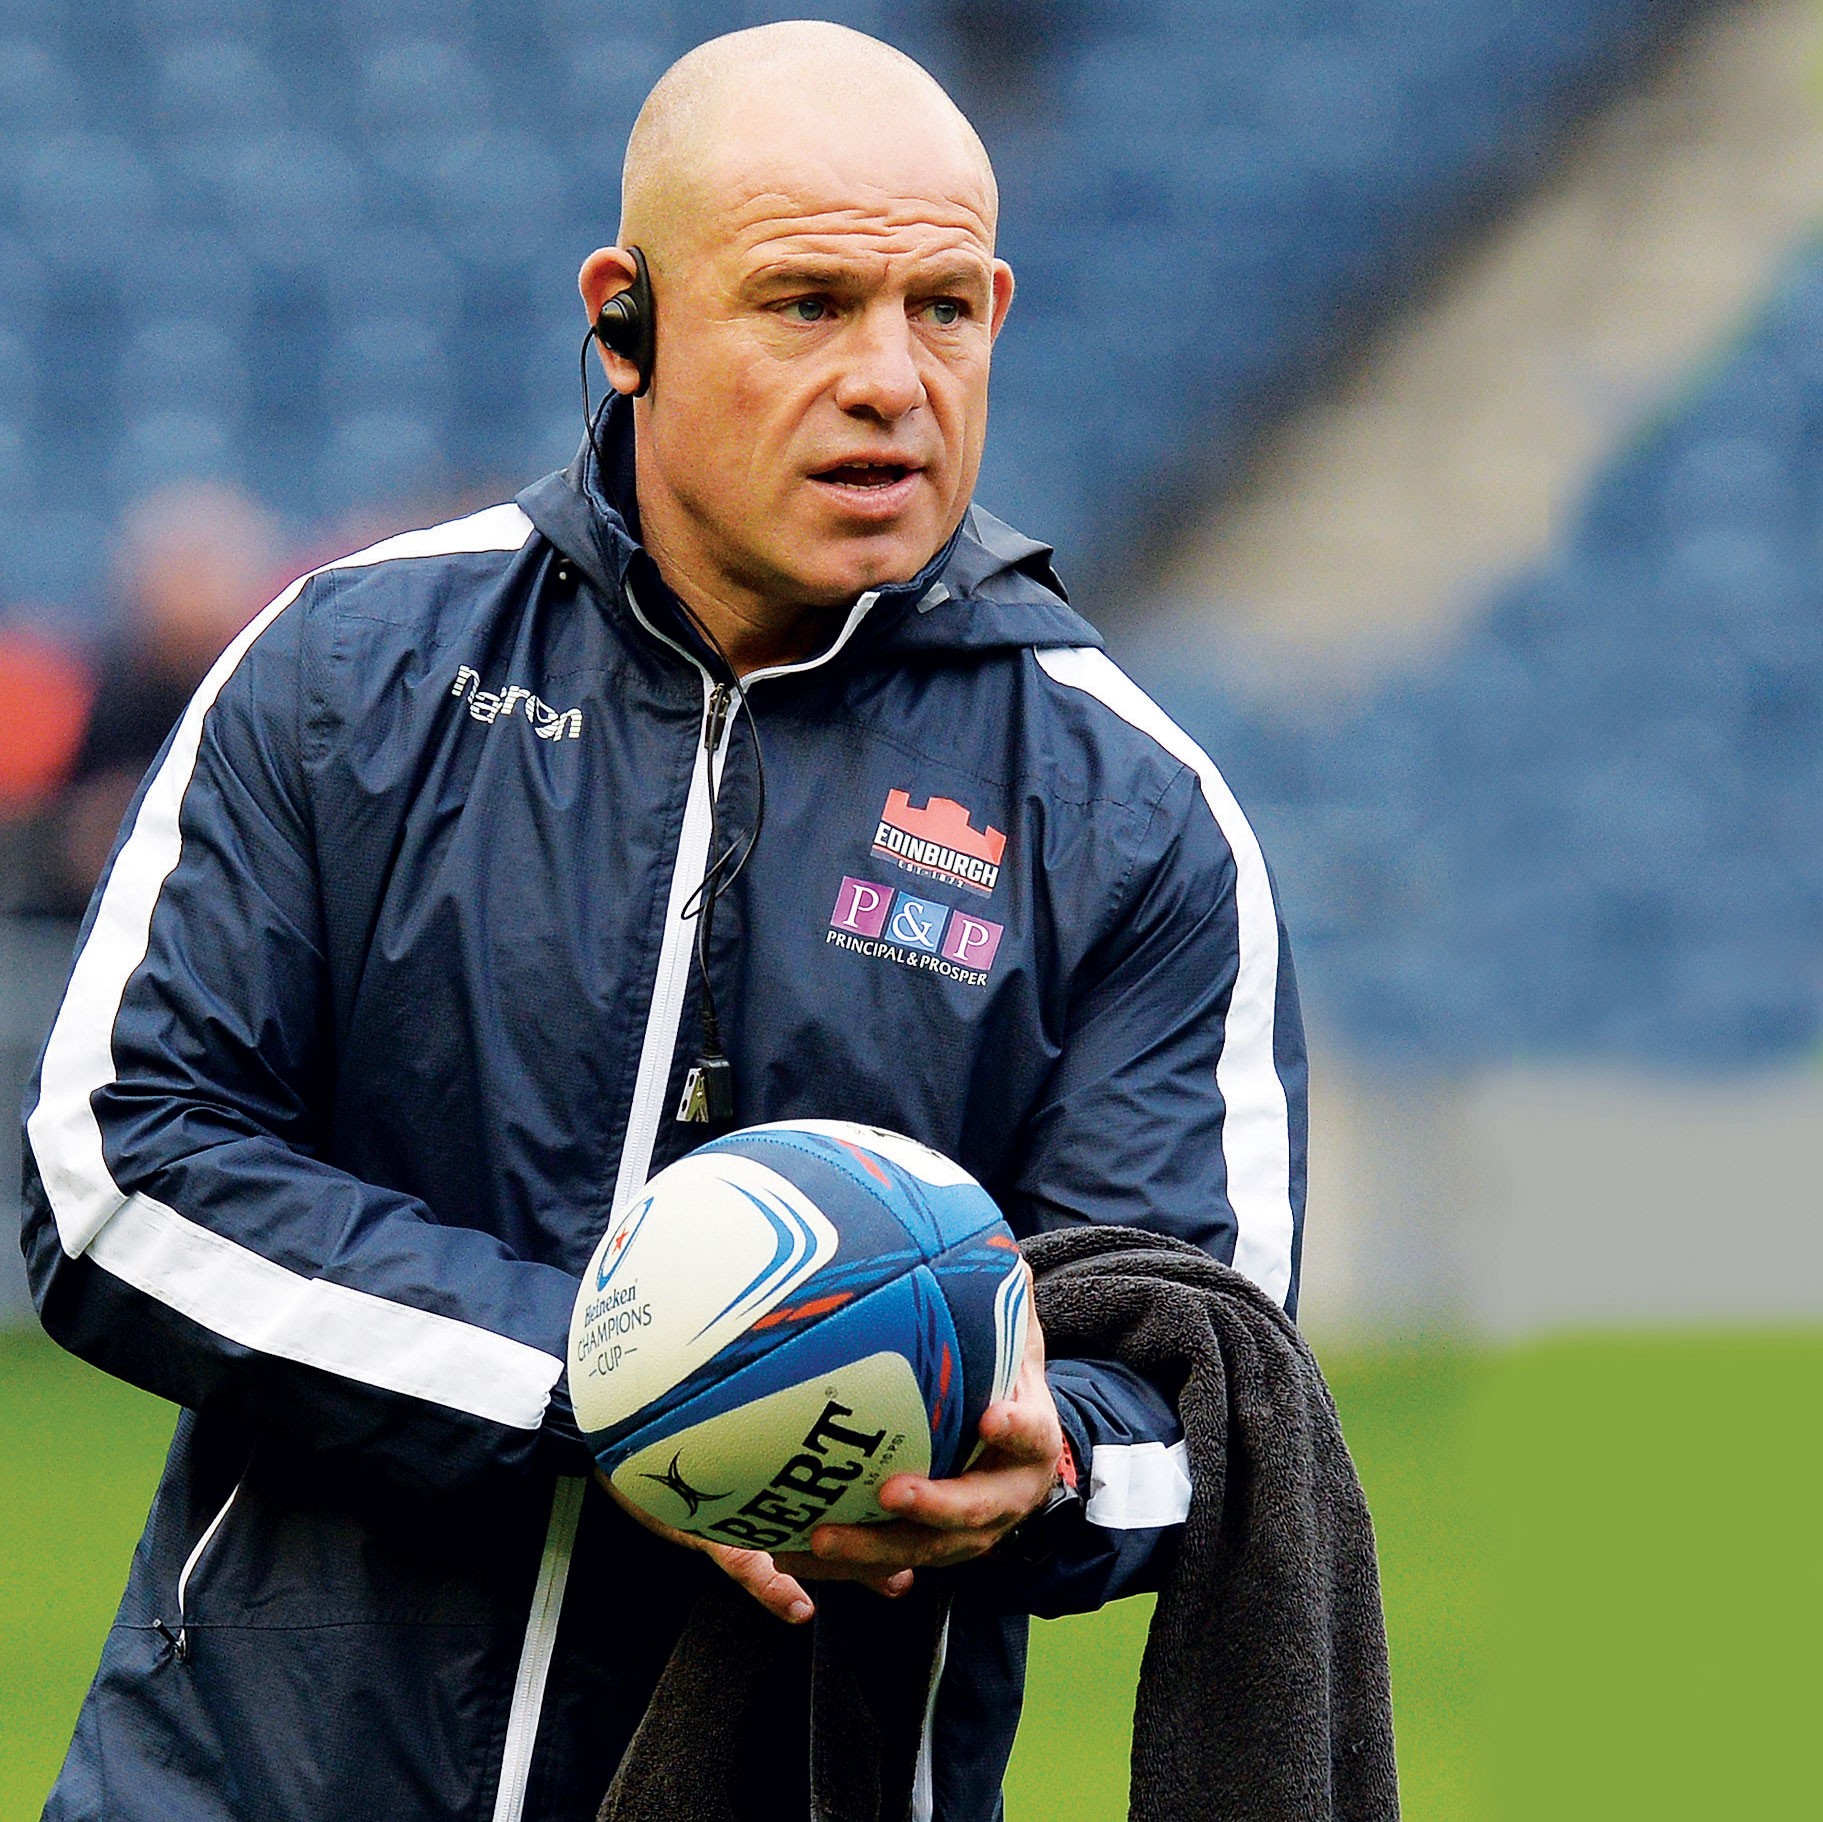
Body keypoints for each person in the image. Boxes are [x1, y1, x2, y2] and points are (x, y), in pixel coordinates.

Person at [21, 23, 1307, 1822]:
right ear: (625, 320)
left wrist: (1050, 1474)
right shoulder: (344, 672)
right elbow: (119, 1177)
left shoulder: (1134, 819)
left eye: (942, 308)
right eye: (807, 304)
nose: (890, 379)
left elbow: (1199, 1398)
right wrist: (620, 1390)